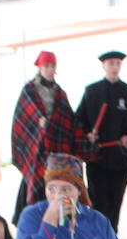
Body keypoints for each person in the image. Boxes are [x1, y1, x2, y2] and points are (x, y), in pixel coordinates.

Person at [10, 51, 82, 223]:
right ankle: (30, 222)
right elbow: (23, 119)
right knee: (34, 183)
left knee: (58, 183)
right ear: (40, 67)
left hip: (56, 150)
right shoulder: (29, 90)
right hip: (36, 151)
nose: (50, 69)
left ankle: (60, 221)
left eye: (52, 66)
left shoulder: (60, 93)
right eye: (46, 66)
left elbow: (68, 121)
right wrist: (38, 124)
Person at [76, 50, 127, 233]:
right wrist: (88, 134)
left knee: (115, 203)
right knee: (98, 203)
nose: (115, 67)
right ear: (103, 65)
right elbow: (79, 119)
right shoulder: (92, 91)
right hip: (97, 159)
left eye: (118, 63)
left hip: (121, 160)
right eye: (111, 63)